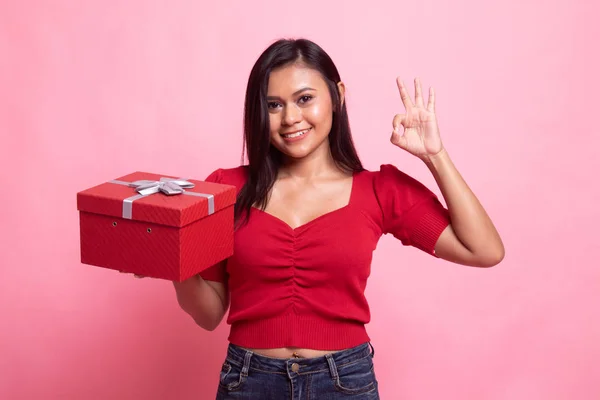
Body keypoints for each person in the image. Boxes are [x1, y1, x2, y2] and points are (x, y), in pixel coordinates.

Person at [171, 38, 504, 399]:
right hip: (248, 381)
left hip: (344, 381)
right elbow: (208, 315)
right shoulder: (225, 189)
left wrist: (434, 155)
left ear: (337, 95)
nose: (290, 118)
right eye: (273, 105)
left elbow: (484, 250)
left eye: (304, 99)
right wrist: (174, 258)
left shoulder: (380, 190)